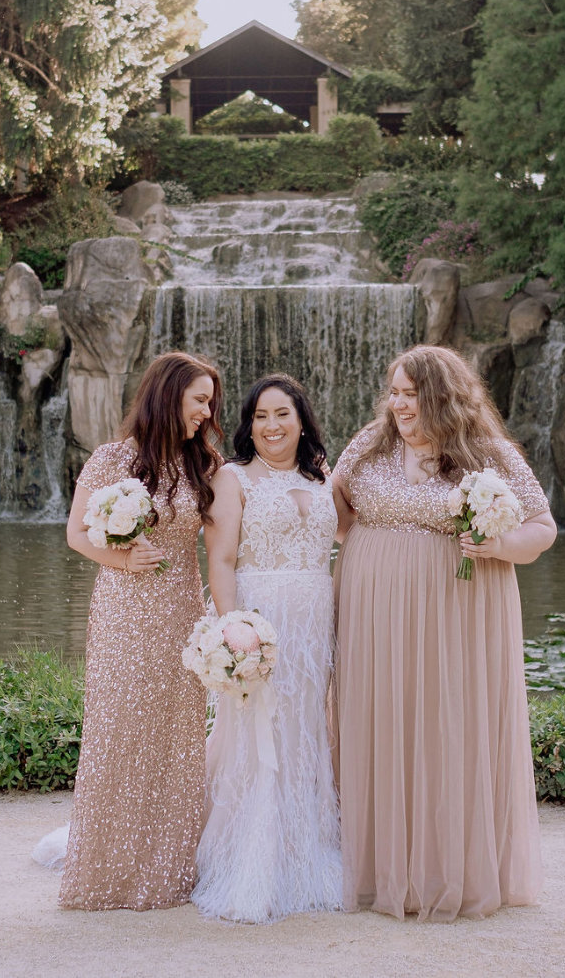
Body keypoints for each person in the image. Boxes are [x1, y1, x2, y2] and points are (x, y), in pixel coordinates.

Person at [331, 344, 558, 921]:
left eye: (411, 394)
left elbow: (542, 525)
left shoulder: (489, 453)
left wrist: (498, 545)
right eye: (395, 393)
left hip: (456, 612)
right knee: (380, 723)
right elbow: (334, 507)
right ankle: (379, 870)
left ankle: (446, 870)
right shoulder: (369, 443)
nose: (398, 405)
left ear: (442, 396)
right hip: (373, 614)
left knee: (445, 727)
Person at [42, 351, 223, 911]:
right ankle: (108, 873)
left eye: (210, 401)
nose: (206, 411)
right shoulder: (112, 459)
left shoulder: (205, 464)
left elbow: (221, 548)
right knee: (120, 729)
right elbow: (76, 533)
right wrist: (120, 559)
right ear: (169, 396)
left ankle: (166, 872)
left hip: (181, 612)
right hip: (124, 610)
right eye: (199, 400)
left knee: (176, 736)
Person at [192, 374, 343, 923]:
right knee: (260, 732)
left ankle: (304, 849)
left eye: (281, 414)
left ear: (301, 420)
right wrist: (234, 633)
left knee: (307, 728)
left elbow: (349, 536)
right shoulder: (233, 478)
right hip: (262, 619)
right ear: (247, 425)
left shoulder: (321, 474)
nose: (271, 426)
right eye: (259, 416)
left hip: (315, 620)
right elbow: (223, 560)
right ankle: (254, 856)